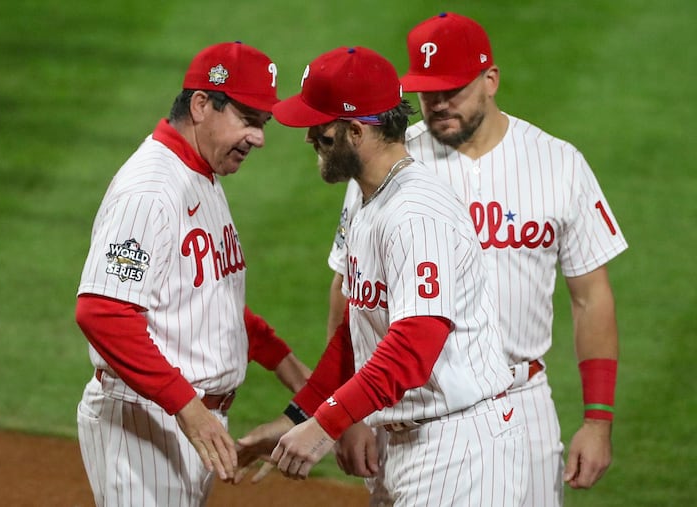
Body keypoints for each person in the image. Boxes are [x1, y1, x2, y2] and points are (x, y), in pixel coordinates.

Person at [327, 12, 628, 507]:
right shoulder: (388, 162)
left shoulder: (557, 163)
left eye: (453, 89)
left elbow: (590, 297)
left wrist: (597, 418)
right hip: (410, 408)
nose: (438, 104)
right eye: (426, 90)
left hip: (521, 400)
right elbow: (352, 290)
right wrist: (353, 410)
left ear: (491, 81)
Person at [236, 45, 528, 507]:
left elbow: (414, 344)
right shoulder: (372, 202)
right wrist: (299, 415)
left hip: (458, 454)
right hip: (414, 446)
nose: (309, 137)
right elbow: (361, 336)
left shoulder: (415, 212)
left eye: (321, 129)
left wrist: (326, 424)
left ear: (355, 131)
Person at [74, 41, 311, 507]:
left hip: (182, 419)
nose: (258, 138)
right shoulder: (150, 190)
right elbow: (103, 312)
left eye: (261, 124)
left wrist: (291, 369)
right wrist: (189, 410)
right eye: (247, 119)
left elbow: (206, 301)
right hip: (148, 420)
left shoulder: (201, 174)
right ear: (202, 105)